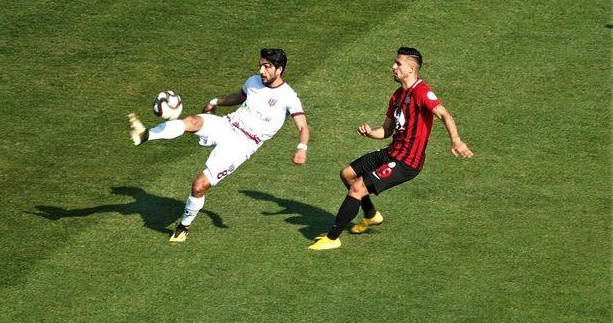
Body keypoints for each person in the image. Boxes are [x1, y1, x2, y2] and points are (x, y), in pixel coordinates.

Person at [128, 48, 310, 242]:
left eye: (267, 67)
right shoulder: (254, 81)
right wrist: (215, 101)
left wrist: (301, 148)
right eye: (260, 66)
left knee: (199, 186)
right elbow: (240, 97)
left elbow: (303, 127)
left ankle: (183, 227)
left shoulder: (289, 96)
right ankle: (146, 135)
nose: (262, 71)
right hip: (227, 124)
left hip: (242, 144)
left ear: (279, 69)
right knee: (193, 121)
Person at [309, 46, 473, 250]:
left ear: (412, 69)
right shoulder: (396, 96)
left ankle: (332, 239)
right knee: (347, 174)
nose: (393, 67)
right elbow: (386, 131)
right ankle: (371, 216)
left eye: (398, 63)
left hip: (407, 162)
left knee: (357, 188)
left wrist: (456, 140)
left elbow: (445, 115)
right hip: (392, 152)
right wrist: (370, 132)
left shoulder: (422, 92)